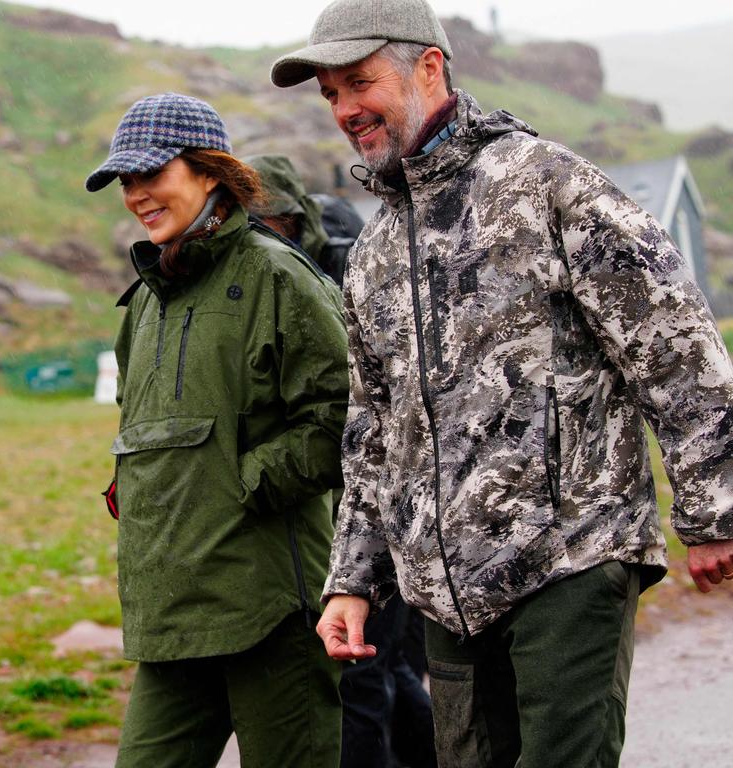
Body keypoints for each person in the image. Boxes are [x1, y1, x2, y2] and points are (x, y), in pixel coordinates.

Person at [270, 1, 733, 766]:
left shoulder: (547, 184)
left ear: (428, 66)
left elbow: (674, 343)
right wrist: (353, 579)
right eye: (330, 95)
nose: (346, 109)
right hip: (442, 591)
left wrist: (713, 508)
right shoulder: (375, 247)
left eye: (358, 82)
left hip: (571, 557)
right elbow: (372, 431)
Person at [85, 93, 348, 767]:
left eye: (151, 174)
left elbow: (343, 416)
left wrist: (239, 483)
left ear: (209, 171)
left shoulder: (278, 276)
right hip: (171, 613)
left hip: (271, 611)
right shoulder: (142, 301)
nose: (136, 194)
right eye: (125, 180)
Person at [247, 152, 436, 768]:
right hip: (354, 511)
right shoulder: (293, 262)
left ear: (293, 217)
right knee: (383, 666)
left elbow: (360, 412)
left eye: (267, 220)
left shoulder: (332, 272)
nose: (257, 234)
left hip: (382, 503)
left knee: (365, 674)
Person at [245, 153, 362, 287]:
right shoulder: (245, 269)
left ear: (289, 216)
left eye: (257, 218)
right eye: (244, 220)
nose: (250, 228)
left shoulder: (345, 261)